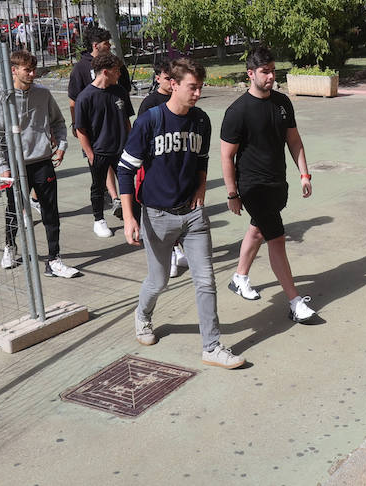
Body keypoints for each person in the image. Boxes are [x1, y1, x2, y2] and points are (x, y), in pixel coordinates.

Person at [117, 58, 243, 369]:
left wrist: (201, 187)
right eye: (192, 87)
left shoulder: (201, 120)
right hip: (157, 216)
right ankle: (143, 315)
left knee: (205, 280)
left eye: (200, 87)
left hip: (193, 214)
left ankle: (211, 346)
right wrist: (130, 217)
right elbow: (124, 170)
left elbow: (201, 161)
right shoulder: (150, 121)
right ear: (174, 84)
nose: (198, 93)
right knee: (159, 280)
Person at [220, 46, 317, 324]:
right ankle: (295, 302)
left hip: (277, 182)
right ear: (251, 74)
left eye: (273, 71)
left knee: (258, 230)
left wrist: (304, 175)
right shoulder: (237, 111)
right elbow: (227, 156)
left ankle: (239, 277)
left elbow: (294, 141)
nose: (271, 76)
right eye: (265, 72)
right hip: (252, 186)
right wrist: (232, 193)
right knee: (276, 238)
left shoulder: (282, 103)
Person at [0, 49, 77, 277]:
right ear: (14, 70)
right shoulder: (1, 98)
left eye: (34, 69)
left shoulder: (43, 94)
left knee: (50, 212)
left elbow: (58, 122)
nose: (33, 74)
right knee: (13, 209)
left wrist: (62, 145)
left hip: (43, 161)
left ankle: (54, 259)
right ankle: (10, 246)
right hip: (15, 166)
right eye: (28, 70)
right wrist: (2, 166)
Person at [134, 56, 187, 276]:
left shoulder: (181, 101)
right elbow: (140, 133)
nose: (170, 82)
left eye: (173, 78)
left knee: (181, 208)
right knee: (163, 212)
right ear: (158, 79)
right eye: (166, 78)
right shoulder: (150, 103)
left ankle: (179, 248)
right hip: (156, 165)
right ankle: (170, 254)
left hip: (178, 165)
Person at [74, 52, 133, 239]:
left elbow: (126, 121)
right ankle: (99, 219)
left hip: (122, 150)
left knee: (129, 184)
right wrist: (90, 154)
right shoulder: (85, 97)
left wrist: (131, 145)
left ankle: (132, 215)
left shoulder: (120, 92)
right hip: (99, 152)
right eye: (117, 71)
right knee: (98, 187)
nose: (120, 75)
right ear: (105, 72)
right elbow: (80, 130)